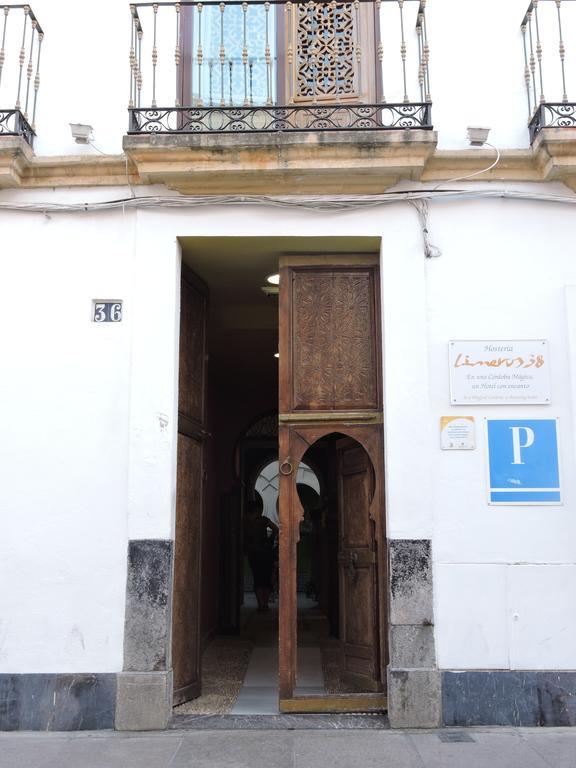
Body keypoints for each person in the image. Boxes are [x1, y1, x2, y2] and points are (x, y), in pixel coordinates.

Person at [244, 493, 279, 611]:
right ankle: (265, 604)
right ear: (258, 509)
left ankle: (260, 604)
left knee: (257, 578)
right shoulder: (263, 520)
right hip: (265, 552)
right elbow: (276, 529)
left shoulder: (245, 522)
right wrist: (270, 539)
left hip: (253, 554)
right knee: (266, 578)